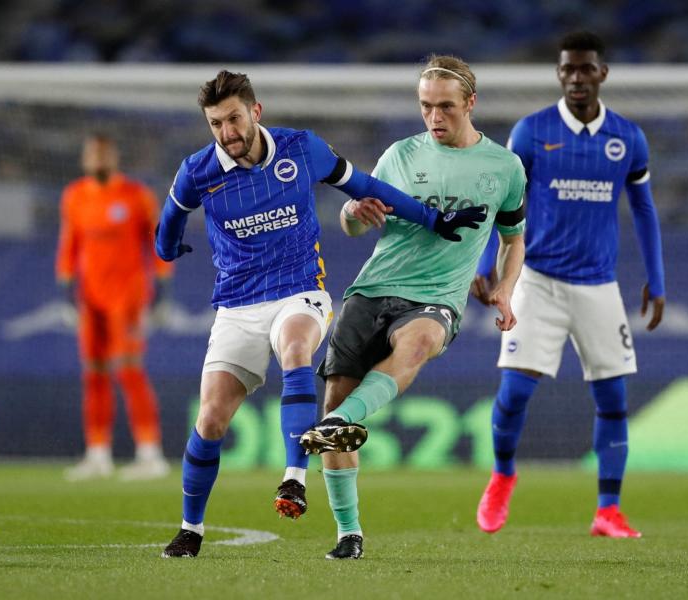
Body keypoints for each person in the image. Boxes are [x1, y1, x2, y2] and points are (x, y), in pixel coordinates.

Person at [155, 70, 487, 558]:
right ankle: (190, 528)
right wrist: (167, 247)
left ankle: (293, 478)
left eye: (234, 119)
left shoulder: (301, 150)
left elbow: (367, 186)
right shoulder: (198, 171)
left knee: (295, 349)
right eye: (215, 124)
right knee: (211, 420)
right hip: (237, 305)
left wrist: (434, 218)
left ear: (255, 112)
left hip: (300, 291)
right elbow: (168, 224)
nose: (227, 133)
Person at [298, 55, 527, 560]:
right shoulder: (399, 155)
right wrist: (354, 212)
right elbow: (356, 223)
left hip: (436, 296)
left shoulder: (504, 167)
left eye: (445, 106)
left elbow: (514, 238)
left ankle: (342, 421)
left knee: (420, 341)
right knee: (336, 403)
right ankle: (348, 532)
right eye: (426, 107)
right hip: (372, 288)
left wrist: (507, 287)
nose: (434, 117)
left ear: (471, 103)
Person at [473, 31, 665, 539]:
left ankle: (608, 510)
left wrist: (657, 278)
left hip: (600, 288)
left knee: (614, 400)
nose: (576, 78)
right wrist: (484, 261)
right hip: (537, 280)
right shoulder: (532, 132)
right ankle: (502, 476)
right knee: (513, 393)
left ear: (602, 73)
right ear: (560, 74)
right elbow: (503, 200)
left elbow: (643, 209)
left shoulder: (628, 137)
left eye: (586, 69)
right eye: (567, 70)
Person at [56, 134, 172, 481]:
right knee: (94, 374)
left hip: (128, 297)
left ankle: (151, 454)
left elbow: (157, 242)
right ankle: (97, 454)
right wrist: (65, 292)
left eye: (104, 152)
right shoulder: (74, 195)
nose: (99, 158)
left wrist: (162, 290)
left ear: (115, 156)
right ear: (85, 159)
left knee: (129, 370)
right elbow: (69, 245)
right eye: (93, 153)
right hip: (90, 298)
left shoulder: (136, 196)